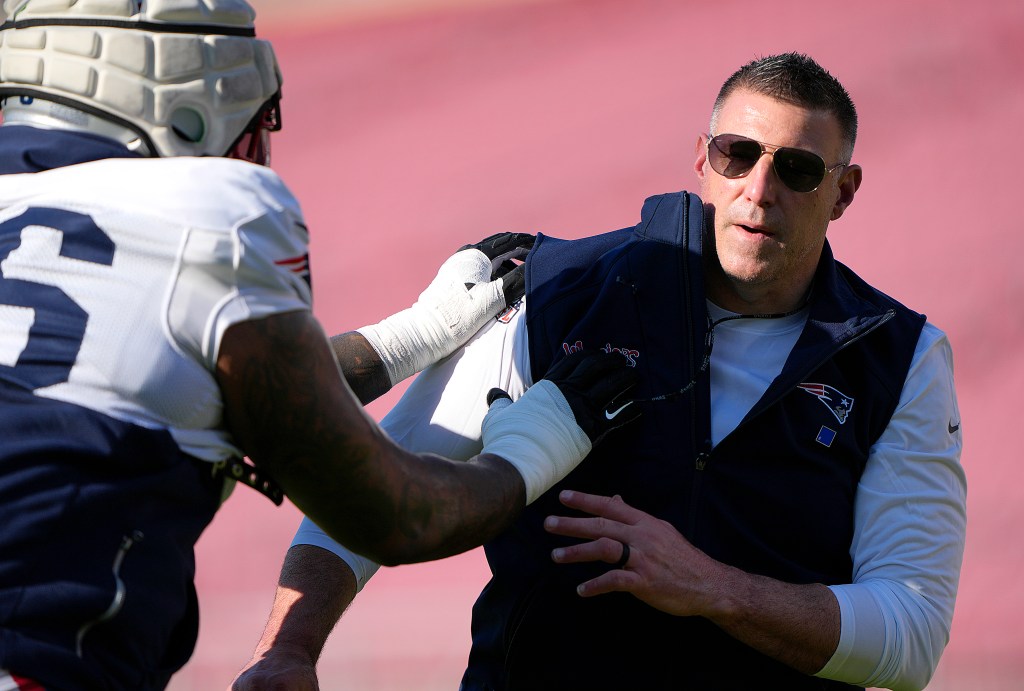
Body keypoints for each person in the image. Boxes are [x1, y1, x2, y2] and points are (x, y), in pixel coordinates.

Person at [233, 52, 966, 691]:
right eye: (739, 155)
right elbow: (373, 483)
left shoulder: (901, 356)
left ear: (843, 191)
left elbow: (911, 634)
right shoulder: (562, 289)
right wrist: (287, 648)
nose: (760, 188)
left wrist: (712, 587)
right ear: (703, 159)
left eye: (799, 169)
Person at [0, 1, 641, 689]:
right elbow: (395, 514)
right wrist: (535, 445)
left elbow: (150, 377)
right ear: (190, 91)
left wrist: (411, 336)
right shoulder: (211, 216)